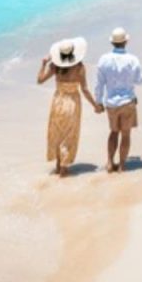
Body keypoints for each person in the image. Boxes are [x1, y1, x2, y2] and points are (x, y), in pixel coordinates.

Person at [37, 37, 102, 177]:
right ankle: (64, 171)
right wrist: (95, 105)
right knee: (69, 136)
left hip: (58, 102)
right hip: (72, 103)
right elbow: (84, 89)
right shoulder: (79, 67)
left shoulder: (54, 67)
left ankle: (59, 167)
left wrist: (43, 64)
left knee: (58, 134)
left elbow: (40, 80)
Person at [95, 27, 142, 173]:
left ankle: (110, 163)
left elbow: (99, 84)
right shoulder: (132, 60)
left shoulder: (103, 60)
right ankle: (122, 165)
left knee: (113, 132)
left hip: (111, 103)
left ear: (112, 43)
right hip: (128, 101)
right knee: (126, 134)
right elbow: (140, 81)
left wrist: (98, 102)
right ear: (126, 42)